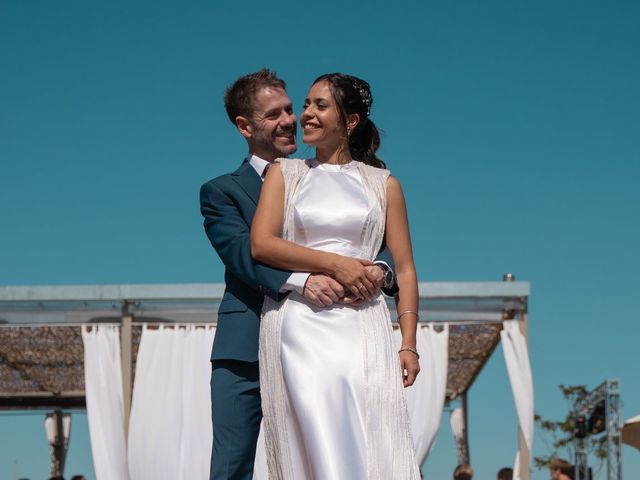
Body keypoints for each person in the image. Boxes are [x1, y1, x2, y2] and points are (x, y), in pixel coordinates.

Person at [200, 69, 398, 480]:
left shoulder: (328, 176)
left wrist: (380, 268)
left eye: (291, 109)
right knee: (232, 464)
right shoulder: (221, 191)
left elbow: (371, 236)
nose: (290, 120)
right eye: (274, 115)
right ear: (244, 126)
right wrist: (302, 281)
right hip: (246, 349)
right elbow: (243, 253)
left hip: (323, 342)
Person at [251, 73, 421, 478]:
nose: (306, 114)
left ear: (350, 121)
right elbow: (261, 243)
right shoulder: (285, 174)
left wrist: (409, 343)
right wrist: (334, 263)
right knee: (312, 439)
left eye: (319, 106)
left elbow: (407, 268)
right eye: (307, 104)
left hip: (364, 328)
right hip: (299, 331)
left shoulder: (385, 185)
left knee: (369, 440)